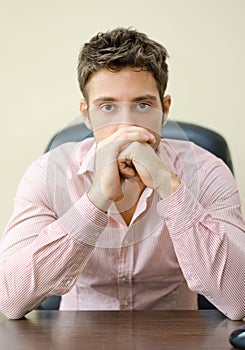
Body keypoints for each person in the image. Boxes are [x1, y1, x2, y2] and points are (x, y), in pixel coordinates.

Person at [0, 28, 245, 320]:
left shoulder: (207, 171)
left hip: (176, 339)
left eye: (143, 105)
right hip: (78, 339)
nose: (126, 124)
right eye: (107, 107)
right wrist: (96, 199)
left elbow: (239, 300)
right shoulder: (46, 174)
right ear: (86, 114)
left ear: (165, 110)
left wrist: (169, 186)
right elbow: (9, 300)